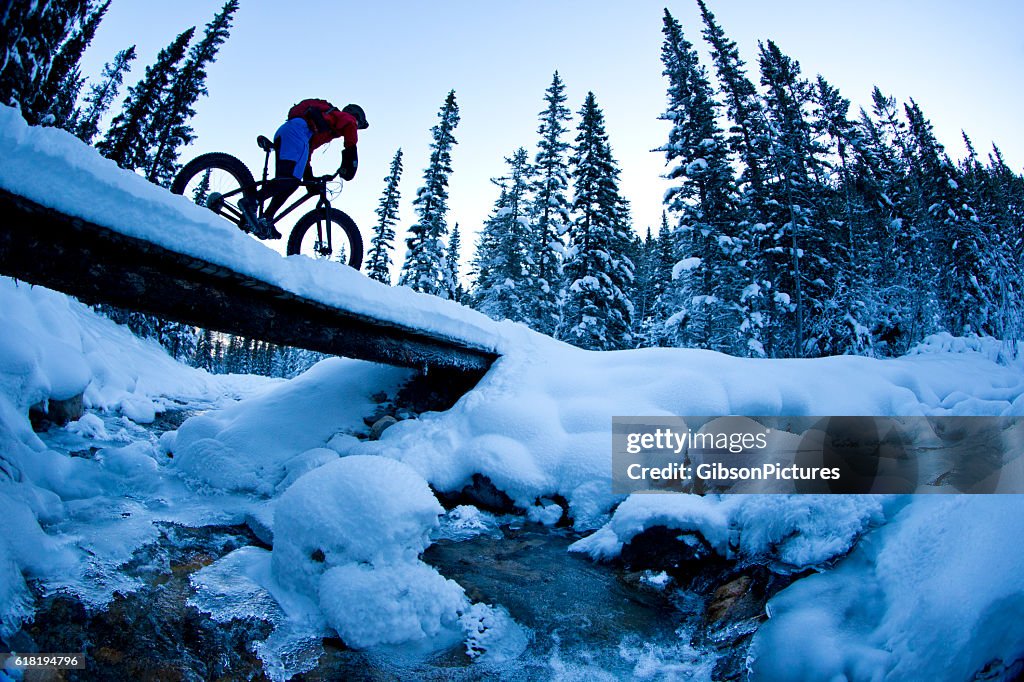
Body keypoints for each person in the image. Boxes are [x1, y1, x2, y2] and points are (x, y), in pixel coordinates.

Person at [241, 99, 368, 238]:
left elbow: (307, 150)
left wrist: (309, 176)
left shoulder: (325, 124)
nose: (356, 128)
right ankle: (252, 201)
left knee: (287, 183)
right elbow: (350, 124)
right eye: (359, 125)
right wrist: (351, 158)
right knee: (290, 181)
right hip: (297, 132)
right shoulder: (344, 117)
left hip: (287, 131)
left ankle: (266, 219)